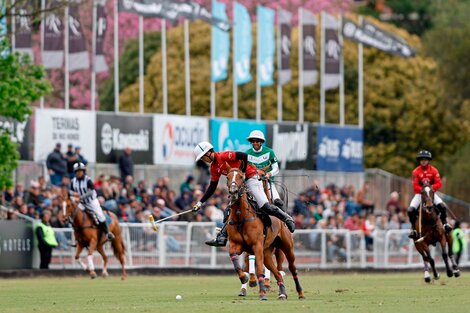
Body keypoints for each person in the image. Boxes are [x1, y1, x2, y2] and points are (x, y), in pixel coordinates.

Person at [192, 141, 295, 247]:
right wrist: (200, 203)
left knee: (265, 206)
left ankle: (287, 218)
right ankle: (222, 237)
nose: (203, 160)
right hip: (239, 185)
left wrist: (244, 172)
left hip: (251, 178)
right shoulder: (213, 167)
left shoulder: (224, 155)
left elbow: (244, 156)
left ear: (209, 153)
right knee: (229, 210)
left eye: (203, 157)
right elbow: (212, 187)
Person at [407, 150, 452, 239]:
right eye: (422, 159)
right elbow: (415, 186)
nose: (423, 161)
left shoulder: (434, 170)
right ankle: (413, 229)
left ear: (428, 160)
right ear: (419, 161)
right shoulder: (415, 171)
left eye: (425, 159)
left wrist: (430, 190)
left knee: (442, 207)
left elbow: (438, 183)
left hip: (431, 194)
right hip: (420, 195)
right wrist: (424, 190)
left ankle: (445, 224)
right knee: (410, 210)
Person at [69, 162, 115, 241]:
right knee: (73, 214)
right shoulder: (73, 181)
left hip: (91, 201)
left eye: (81, 171)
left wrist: (80, 197)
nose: (79, 173)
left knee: (100, 215)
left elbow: (91, 192)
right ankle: (77, 234)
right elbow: (70, 191)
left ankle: (108, 233)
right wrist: (73, 194)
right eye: (77, 171)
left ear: (83, 171)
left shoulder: (88, 180)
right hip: (80, 203)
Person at [245, 130, 285, 210]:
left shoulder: (270, 152)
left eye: (257, 141)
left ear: (261, 142)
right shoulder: (246, 153)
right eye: (253, 141)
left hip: (267, 183)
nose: (255, 143)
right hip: (252, 184)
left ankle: (287, 221)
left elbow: (276, 168)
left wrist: (268, 174)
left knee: (278, 202)